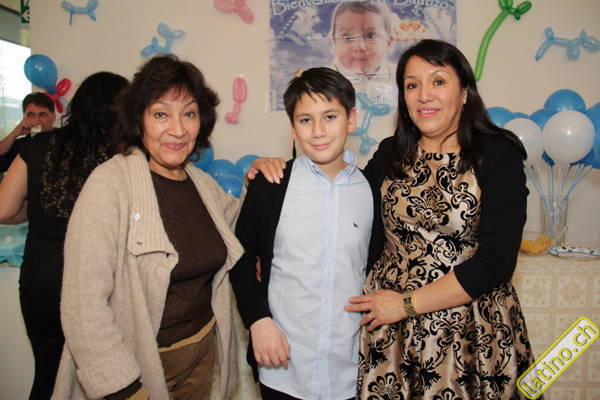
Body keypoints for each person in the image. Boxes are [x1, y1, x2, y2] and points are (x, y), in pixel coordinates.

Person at [251, 39, 537, 399]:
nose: (424, 95)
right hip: (392, 335)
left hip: (468, 330)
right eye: (412, 85)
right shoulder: (392, 153)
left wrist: (406, 304)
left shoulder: (497, 154)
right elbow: (343, 204)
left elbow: (496, 262)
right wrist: (272, 171)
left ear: (465, 92)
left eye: (438, 81)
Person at [51, 55, 244, 400]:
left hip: (202, 355)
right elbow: (83, 305)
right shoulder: (110, 185)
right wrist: (123, 388)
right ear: (138, 120)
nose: (178, 129)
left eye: (189, 114)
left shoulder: (202, 185)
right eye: (161, 114)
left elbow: (242, 227)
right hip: (138, 369)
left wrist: (261, 177)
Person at [229, 67, 383, 400]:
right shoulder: (271, 185)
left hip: (348, 370)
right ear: (292, 128)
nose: (318, 131)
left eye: (330, 116)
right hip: (283, 366)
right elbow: (240, 258)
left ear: (351, 119)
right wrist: (258, 321)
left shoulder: (371, 190)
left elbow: (374, 266)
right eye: (305, 120)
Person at [0, 72, 128, 399]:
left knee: (48, 375)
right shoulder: (122, 155)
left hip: (42, 277)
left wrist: (37, 210)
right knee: (108, 380)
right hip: (98, 280)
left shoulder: (40, 145)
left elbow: (3, 209)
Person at [331, 1, 397, 105]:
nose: (359, 47)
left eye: (370, 36)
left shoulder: (401, 76)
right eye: (347, 37)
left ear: (389, 43)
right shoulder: (324, 80)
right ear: (334, 43)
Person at [0, 92, 56, 173]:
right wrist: (14, 133)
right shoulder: (20, 145)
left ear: (53, 117)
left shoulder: (64, 140)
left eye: (42, 115)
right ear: (24, 117)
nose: (36, 121)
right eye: (30, 115)